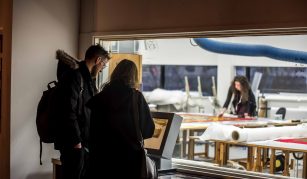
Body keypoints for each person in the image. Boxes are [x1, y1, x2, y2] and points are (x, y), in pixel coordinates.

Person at [86, 59, 155, 178]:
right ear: (134, 76)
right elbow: (148, 130)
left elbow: (89, 129)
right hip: (129, 160)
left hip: (101, 159)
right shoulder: (136, 98)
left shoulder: (99, 98)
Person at [54, 44, 110, 179]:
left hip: (83, 143)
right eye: (103, 65)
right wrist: (76, 141)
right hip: (74, 144)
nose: (102, 69)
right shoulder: (74, 77)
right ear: (97, 60)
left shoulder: (86, 79)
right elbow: (68, 111)